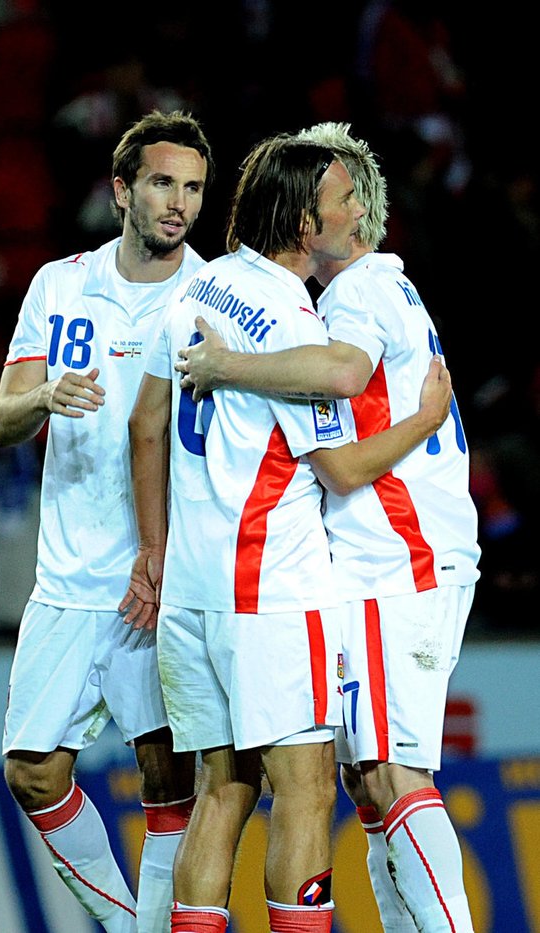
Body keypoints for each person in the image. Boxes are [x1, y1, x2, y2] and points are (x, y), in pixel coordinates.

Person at [123, 132, 452, 933]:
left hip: (192, 592)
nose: (357, 212)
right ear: (306, 223)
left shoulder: (198, 287)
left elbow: (144, 425)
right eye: (343, 199)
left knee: (219, 789)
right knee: (304, 789)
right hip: (271, 586)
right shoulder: (295, 321)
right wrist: (423, 420)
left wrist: (155, 554)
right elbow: (340, 465)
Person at [0, 110, 213, 933]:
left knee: (169, 777)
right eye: (162, 183)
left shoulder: (212, 294)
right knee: (32, 773)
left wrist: (172, 558)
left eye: (192, 187)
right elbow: (2, 418)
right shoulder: (59, 284)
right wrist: (43, 396)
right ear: (122, 190)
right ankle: (130, 925)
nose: (178, 202)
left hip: (160, 576)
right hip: (66, 576)